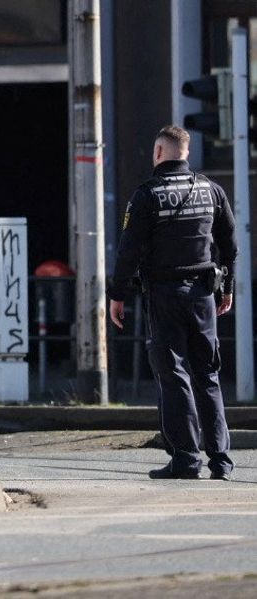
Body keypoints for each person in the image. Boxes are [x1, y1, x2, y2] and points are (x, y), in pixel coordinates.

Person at [108, 125, 236, 480]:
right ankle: (221, 460)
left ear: (158, 152)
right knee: (207, 373)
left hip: (164, 295)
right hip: (203, 295)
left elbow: (129, 251)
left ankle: (186, 459)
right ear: (186, 153)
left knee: (174, 373)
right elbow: (230, 245)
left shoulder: (147, 195)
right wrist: (227, 288)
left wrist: (118, 294)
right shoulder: (211, 190)